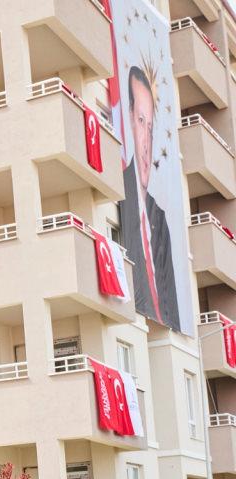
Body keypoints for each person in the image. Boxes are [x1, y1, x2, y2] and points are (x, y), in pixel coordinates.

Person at [120, 64, 179, 330]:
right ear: (130, 118)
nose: (146, 141)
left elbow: (173, 311)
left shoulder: (159, 218)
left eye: (151, 127)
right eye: (141, 122)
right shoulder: (119, 192)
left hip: (160, 334)